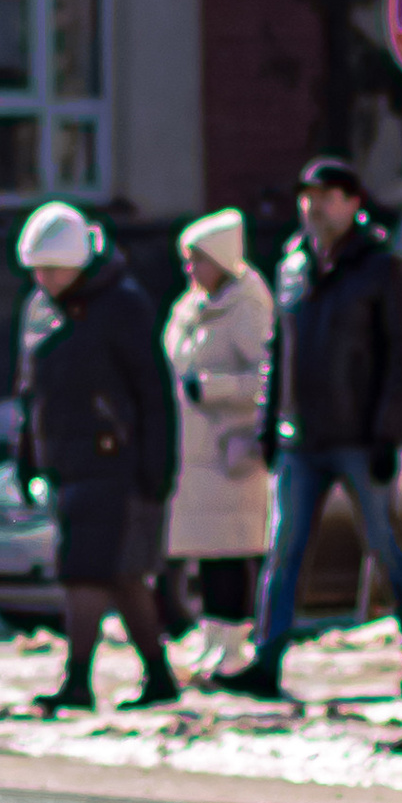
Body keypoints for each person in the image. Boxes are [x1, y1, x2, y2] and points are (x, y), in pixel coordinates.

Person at [217, 155, 402, 701]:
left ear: (353, 203)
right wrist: (270, 422)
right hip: (302, 439)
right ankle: (267, 661)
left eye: (325, 196)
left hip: (359, 439)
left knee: (384, 545)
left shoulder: (383, 268)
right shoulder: (293, 264)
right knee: (284, 550)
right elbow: (278, 352)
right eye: (306, 196)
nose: (312, 206)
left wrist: (389, 433)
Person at [12, 200, 179, 715]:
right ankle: (159, 675)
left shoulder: (122, 306)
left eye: (53, 267)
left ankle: (78, 681)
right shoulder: (41, 308)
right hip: (67, 459)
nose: (43, 277)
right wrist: (27, 455)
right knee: (122, 575)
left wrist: (158, 468)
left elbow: (154, 391)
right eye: (36, 268)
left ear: (80, 263)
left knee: (85, 572)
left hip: (116, 462)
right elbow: (30, 391)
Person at [162, 207, 276, 675]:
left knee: (230, 551)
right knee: (206, 551)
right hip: (195, 451)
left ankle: (233, 643)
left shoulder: (248, 306)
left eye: (198, 260)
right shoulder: (191, 305)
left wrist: (214, 388)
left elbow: (268, 377)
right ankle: (212, 637)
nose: (190, 269)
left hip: (230, 451)